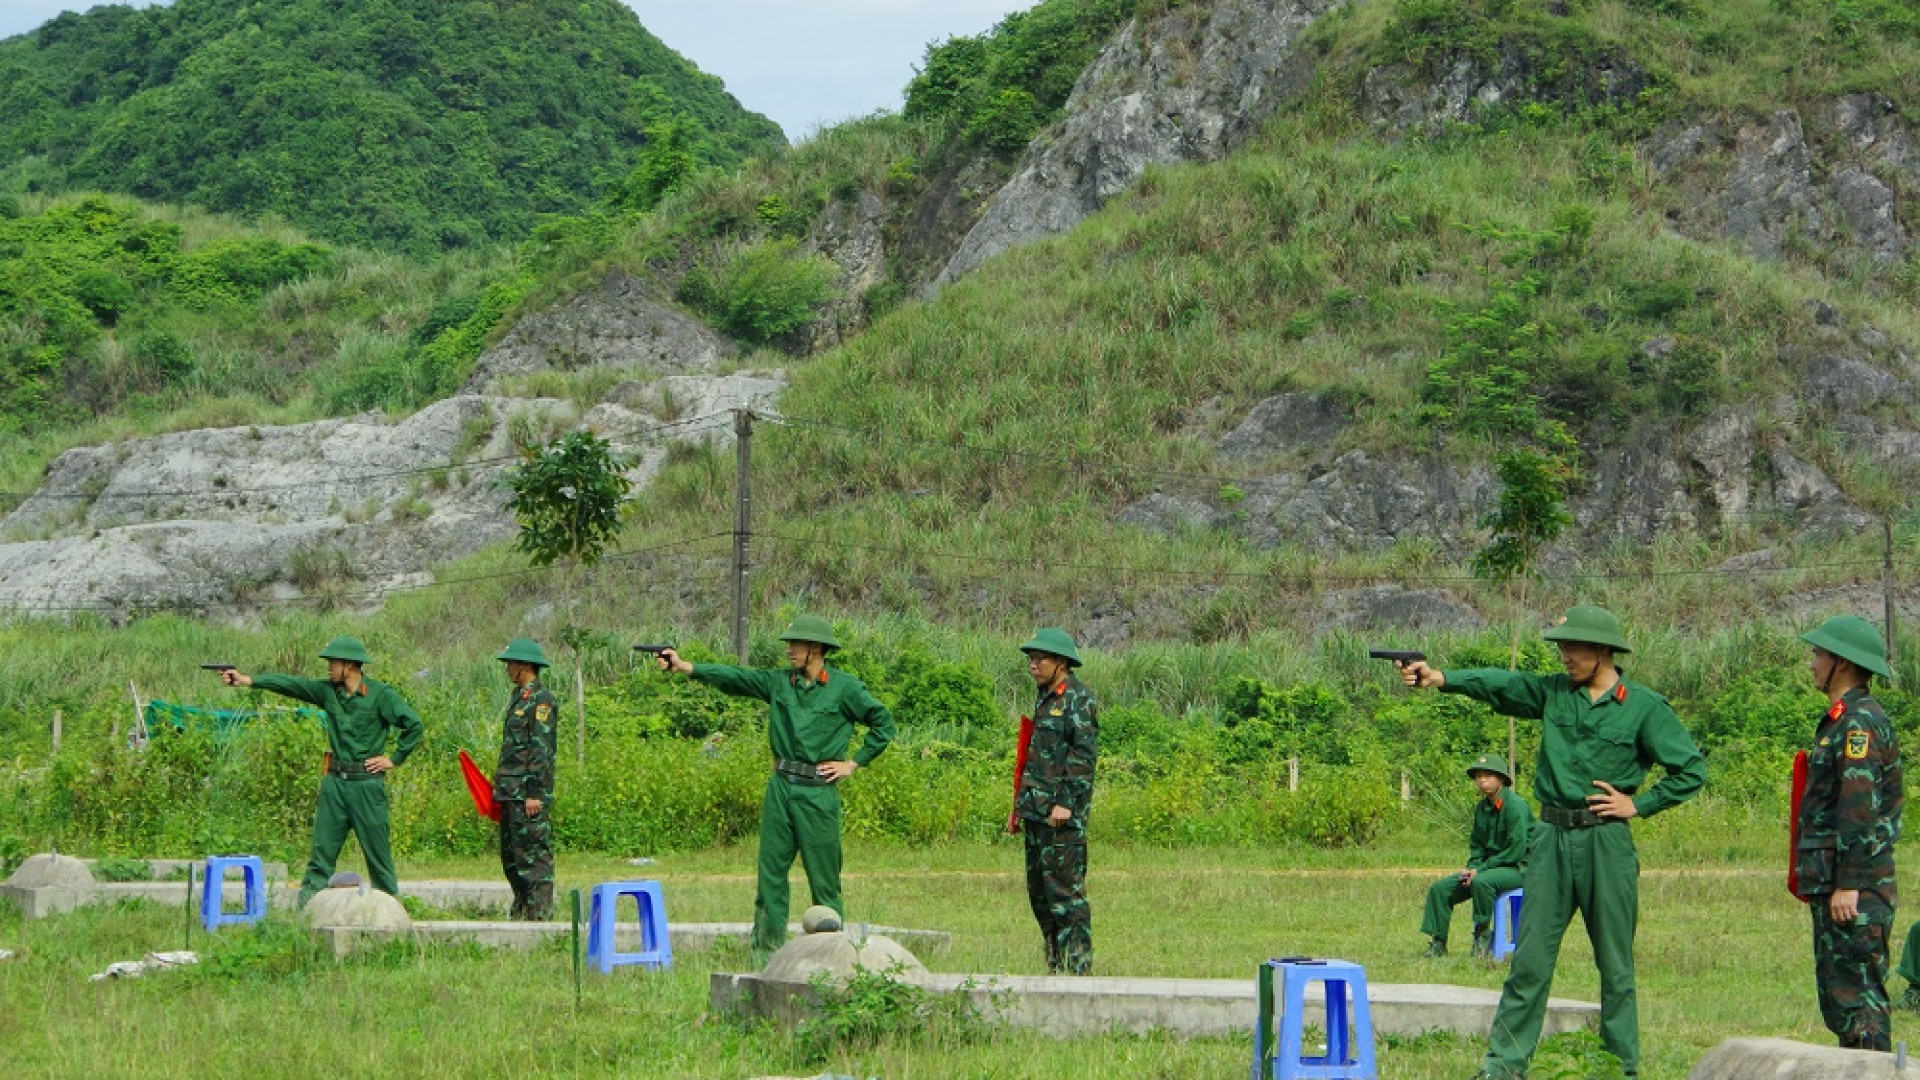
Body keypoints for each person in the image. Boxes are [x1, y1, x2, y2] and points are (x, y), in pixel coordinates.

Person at [1399, 605, 1705, 1080]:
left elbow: (1690, 771)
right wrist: (1441, 677)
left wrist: (1637, 805)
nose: (1563, 656)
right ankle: (1503, 1067)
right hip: (1550, 840)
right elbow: (1500, 684)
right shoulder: (1553, 694)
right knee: (1529, 962)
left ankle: (1619, 1069)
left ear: (1602, 651)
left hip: (1607, 843)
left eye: (1572, 647)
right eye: (1560, 647)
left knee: (1616, 967)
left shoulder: (1644, 706)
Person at [655, 615, 895, 957]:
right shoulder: (779, 683)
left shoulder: (846, 689)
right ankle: (765, 954)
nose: (790, 651)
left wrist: (853, 764)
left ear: (816, 648)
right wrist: (684, 667)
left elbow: (883, 725)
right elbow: (737, 678)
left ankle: (832, 955)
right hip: (781, 788)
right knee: (771, 875)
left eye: (796, 645)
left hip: (818, 792)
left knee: (824, 879)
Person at [219, 636, 424, 906]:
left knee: (379, 858)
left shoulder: (380, 695)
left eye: (333, 663)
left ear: (349, 665)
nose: (328, 668)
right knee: (321, 855)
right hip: (335, 785)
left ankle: (391, 917)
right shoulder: (328, 692)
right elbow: (293, 685)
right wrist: (247, 680)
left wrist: (394, 759)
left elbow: (414, 726)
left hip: (367, 786)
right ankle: (306, 913)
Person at [1795, 614, 1902, 1051]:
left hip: (1854, 887)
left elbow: (1859, 809)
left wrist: (1848, 883)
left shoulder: (1858, 724)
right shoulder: (1845, 719)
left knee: (1860, 1004)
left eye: (1819, 654)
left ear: (1842, 662)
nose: (1812, 663)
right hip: (1838, 881)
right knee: (1843, 1001)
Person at [1011, 628, 1098, 975]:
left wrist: (1065, 802)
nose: (1033, 666)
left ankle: (1078, 972)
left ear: (1060, 662)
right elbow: (1034, 758)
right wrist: (1019, 807)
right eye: (1030, 660)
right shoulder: (1046, 697)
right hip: (1036, 812)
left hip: (1061, 817)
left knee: (1065, 895)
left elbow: (1082, 756)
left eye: (1039, 660)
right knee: (1040, 896)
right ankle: (1056, 966)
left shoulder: (1078, 699)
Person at [1420, 753, 1531, 959]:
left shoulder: (1515, 806)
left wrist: (1480, 870)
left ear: (1501, 779)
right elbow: (1477, 845)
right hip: (1488, 869)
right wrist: (1472, 867)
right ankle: (1438, 943)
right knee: (1440, 889)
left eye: (1488, 775)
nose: (1482, 780)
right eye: (1478, 776)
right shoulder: (1482, 808)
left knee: (1481, 882)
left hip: (1519, 869)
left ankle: (1482, 935)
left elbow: (1516, 851)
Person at [493, 638, 559, 921]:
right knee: (512, 856)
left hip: (527, 792)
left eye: (511, 663)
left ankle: (540, 913)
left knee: (532, 854)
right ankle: (522, 908)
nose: (508, 668)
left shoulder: (541, 700)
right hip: (510, 790)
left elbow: (541, 749)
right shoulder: (519, 697)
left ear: (524, 666)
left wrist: (534, 792)